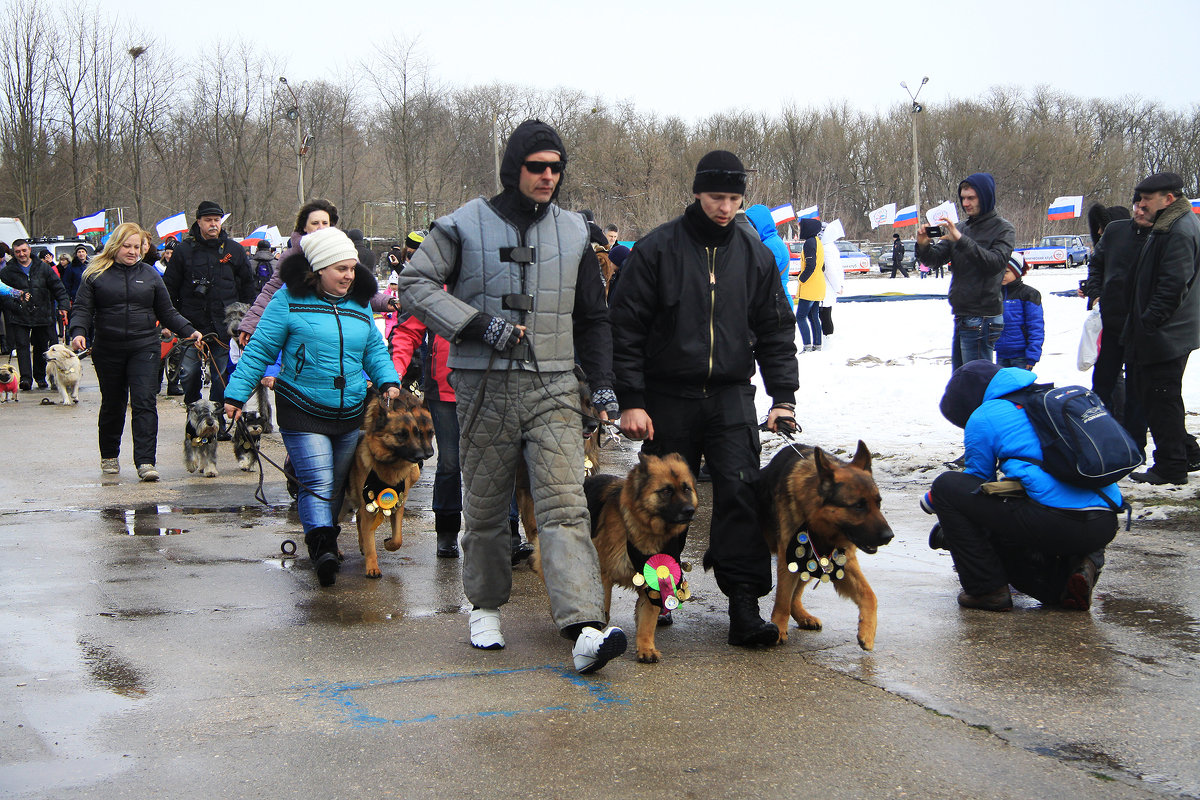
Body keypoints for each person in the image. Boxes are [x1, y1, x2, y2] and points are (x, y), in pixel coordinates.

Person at [397, 118, 627, 674]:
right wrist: (477, 325)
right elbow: (414, 284)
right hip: (483, 388)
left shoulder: (575, 231)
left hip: (552, 386)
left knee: (565, 505)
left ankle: (583, 627)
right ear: (513, 168)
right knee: (485, 507)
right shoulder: (462, 225)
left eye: (555, 168)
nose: (547, 176)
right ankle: (485, 606)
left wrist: (601, 383)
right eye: (536, 167)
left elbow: (594, 317)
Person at [608, 149, 799, 648]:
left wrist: (784, 397)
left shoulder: (754, 253)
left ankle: (743, 606)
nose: (725, 208)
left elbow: (777, 328)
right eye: (717, 197)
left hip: (731, 394)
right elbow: (625, 328)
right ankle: (657, 595)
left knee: (740, 494)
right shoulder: (658, 249)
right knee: (662, 503)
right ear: (696, 192)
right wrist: (631, 399)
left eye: (735, 199)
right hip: (666, 395)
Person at [224, 227, 401, 587]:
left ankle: (326, 535)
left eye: (352, 269)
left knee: (335, 484)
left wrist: (388, 380)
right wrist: (235, 395)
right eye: (341, 269)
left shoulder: (359, 304)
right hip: (301, 407)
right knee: (317, 481)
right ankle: (323, 547)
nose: (349, 276)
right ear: (319, 269)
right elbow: (259, 350)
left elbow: (374, 349)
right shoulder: (287, 301)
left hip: (350, 409)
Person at [927, 360, 1120, 611]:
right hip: (1105, 523)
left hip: (1056, 523)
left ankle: (987, 590)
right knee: (1045, 497)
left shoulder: (985, 415)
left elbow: (976, 483)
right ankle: (1081, 567)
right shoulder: (1051, 398)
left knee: (946, 487)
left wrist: (934, 501)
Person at [68, 223, 201, 481]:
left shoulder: (151, 275)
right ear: (116, 246)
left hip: (144, 346)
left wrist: (189, 330)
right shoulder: (95, 274)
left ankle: (145, 462)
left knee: (144, 402)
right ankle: (109, 455)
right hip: (108, 347)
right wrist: (78, 332)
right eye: (127, 246)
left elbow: (167, 312)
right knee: (113, 403)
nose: (132, 251)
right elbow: (82, 309)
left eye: (137, 247)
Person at [1123, 172, 1200, 485]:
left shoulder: (1178, 230)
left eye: (1146, 200)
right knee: (1158, 396)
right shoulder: (1172, 224)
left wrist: (1149, 321)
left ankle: (1170, 466)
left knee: (1161, 398)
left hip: (1167, 333)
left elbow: (1172, 286)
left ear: (1168, 199)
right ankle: (1188, 452)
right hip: (1166, 330)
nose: (1140, 205)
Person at [237, 200, 398, 347]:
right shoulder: (292, 257)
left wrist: (388, 301)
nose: (320, 227)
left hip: (337, 328)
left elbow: (360, 289)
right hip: (300, 331)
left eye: (325, 223)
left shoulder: (342, 253)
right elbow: (271, 292)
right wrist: (251, 323)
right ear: (304, 227)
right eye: (315, 223)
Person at [162, 201, 256, 416]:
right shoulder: (184, 250)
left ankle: (217, 418)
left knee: (221, 375)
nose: (213, 225)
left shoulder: (234, 249)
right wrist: (172, 320)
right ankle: (194, 413)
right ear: (199, 222)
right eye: (208, 221)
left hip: (225, 325)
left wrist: (249, 320)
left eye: (217, 220)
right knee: (190, 373)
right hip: (191, 324)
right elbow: (169, 287)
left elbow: (248, 286)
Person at [917, 172, 1015, 371]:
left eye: (971, 198)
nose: (966, 203)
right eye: (963, 198)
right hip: (963, 315)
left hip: (983, 317)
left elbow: (995, 264)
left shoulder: (1003, 229)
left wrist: (961, 240)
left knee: (976, 384)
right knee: (962, 382)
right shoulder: (961, 228)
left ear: (985, 197)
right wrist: (923, 245)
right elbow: (934, 260)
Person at [1081, 204, 1138, 426]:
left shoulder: (1126, 250)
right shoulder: (1103, 252)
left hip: (1122, 322)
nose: (1098, 233)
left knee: (1117, 377)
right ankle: (1107, 419)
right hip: (1104, 319)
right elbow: (1098, 276)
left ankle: (1120, 419)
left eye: (1102, 228)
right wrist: (1092, 295)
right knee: (1106, 376)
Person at [0, 238, 70, 390]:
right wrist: (15, 305)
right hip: (19, 315)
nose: (21, 254)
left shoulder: (43, 268)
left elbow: (58, 287)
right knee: (22, 347)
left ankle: (40, 377)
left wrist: (64, 305)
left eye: (24, 250)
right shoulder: (7, 271)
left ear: (29, 250)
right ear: (14, 253)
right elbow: (3, 295)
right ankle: (26, 378)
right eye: (18, 252)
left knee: (40, 346)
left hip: (42, 313)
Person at [994, 252, 1043, 370]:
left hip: (1022, 355)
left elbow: (1036, 326)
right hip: (1001, 353)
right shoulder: (994, 293)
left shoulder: (1029, 294)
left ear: (1017, 272)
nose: (1002, 276)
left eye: (1006, 272)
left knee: (1021, 387)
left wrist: (1032, 355)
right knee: (1004, 386)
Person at [745, 204, 793, 307]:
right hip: (775, 301)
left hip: (777, 304)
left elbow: (761, 275)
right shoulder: (770, 241)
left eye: (750, 226)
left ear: (758, 225)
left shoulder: (771, 245)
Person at [793, 217, 825, 352]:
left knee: (800, 316)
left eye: (801, 227)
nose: (800, 229)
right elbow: (822, 266)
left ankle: (806, 345)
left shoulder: (809, 243)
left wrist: (801, 278)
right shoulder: (818, 242)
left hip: (810, 286)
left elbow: (810, 265)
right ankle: (817, 345)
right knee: (813, 316)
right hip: (818, 284)